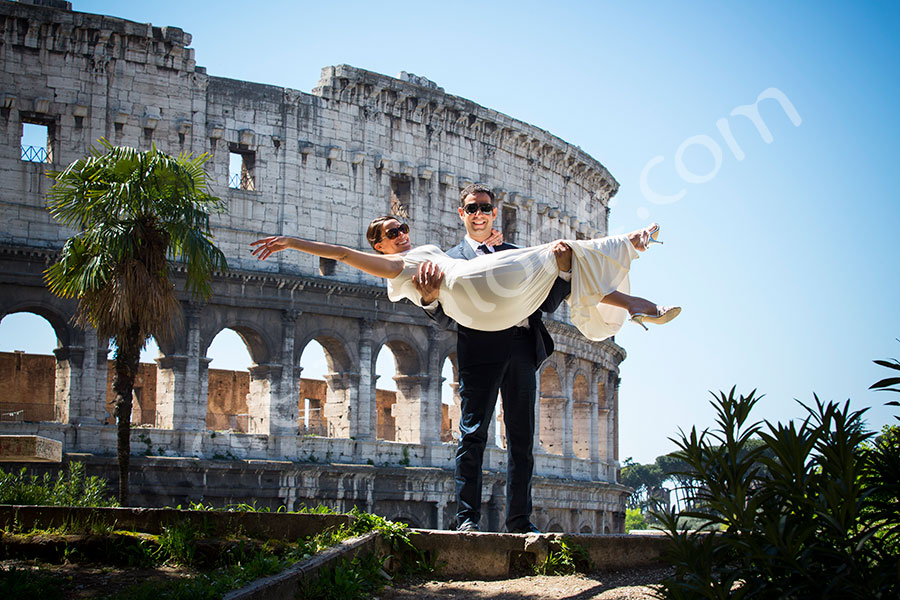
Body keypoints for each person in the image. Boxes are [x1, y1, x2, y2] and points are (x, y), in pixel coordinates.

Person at [251, 185, 678, 534]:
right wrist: (293, 242)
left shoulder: (471, 250)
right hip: (480, 347)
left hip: (521, 342)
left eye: (402, 226)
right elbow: (432, 311)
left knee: (524, 437)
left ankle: (519, 520)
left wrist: (510, 261)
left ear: (494, 213)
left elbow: (545, 296)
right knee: (472, 435)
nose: (401, 232)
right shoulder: (428, 267)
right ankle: (468, 520)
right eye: (392, 231)